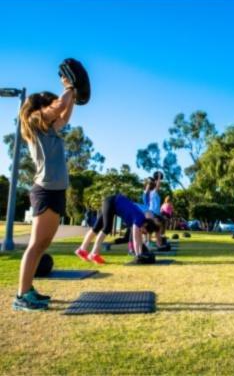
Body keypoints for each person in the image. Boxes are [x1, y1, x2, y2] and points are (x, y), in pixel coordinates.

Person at [13, 79, 76, 311]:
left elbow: (65, 114)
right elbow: (60, 106)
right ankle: (21, 295)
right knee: (36, 244)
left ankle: (28, 290)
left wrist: (74, 95)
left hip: (56, 191)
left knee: (43, 244)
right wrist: (69, 87)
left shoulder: (50, 128)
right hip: (46, 190)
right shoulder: (34, 120)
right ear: (43, 105)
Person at [75, 194, 158, 264]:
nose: (143, 233)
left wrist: (140, 253)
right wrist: (138, 256)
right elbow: (136, 240)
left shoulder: (141, 222)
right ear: (146, 224)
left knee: (96, 227)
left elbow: (139, 239)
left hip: (112, 203)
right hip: (112, 202)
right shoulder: (139, 219)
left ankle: (82, 249)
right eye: (145, 232)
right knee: (107, 228)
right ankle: (94, 253)